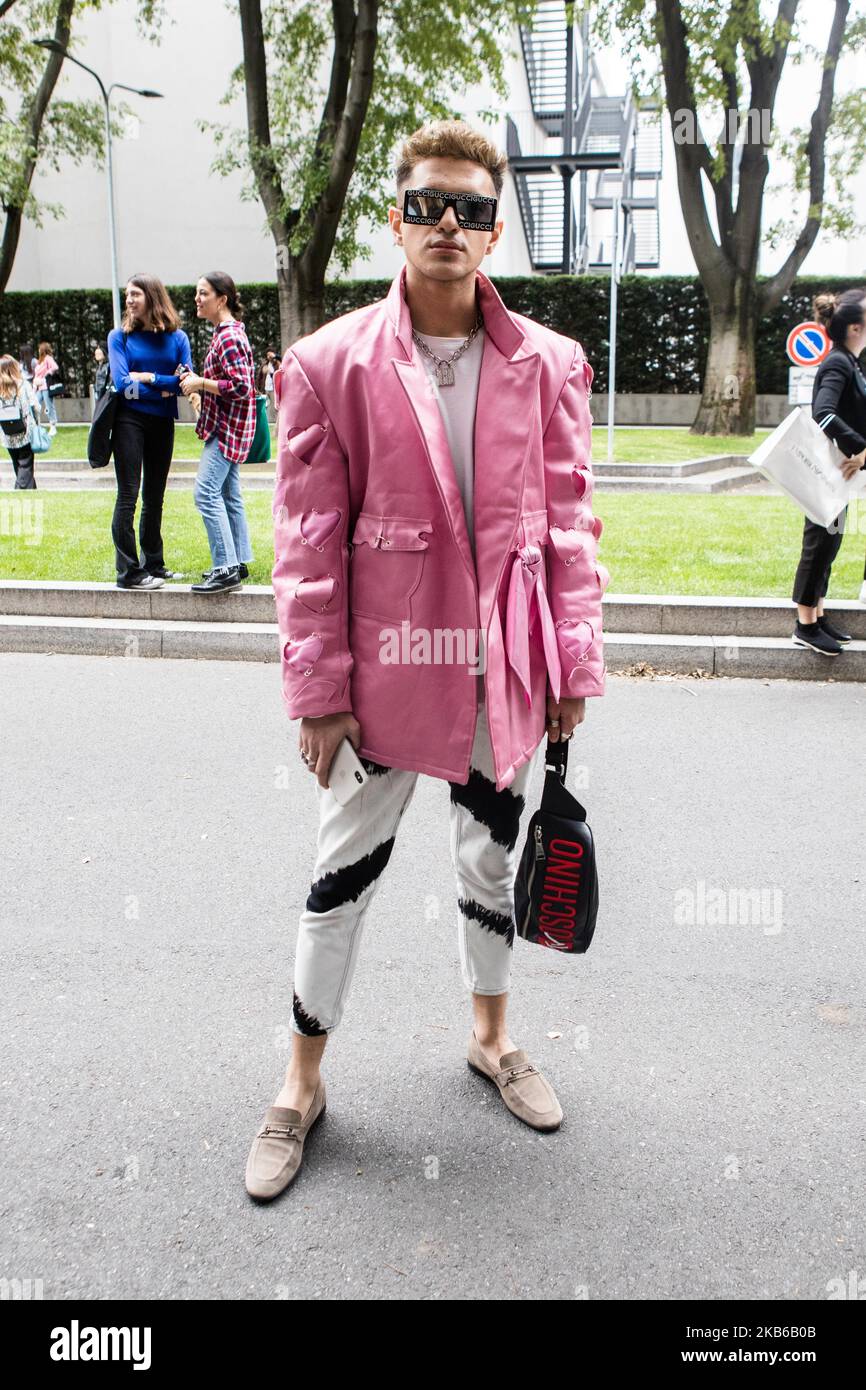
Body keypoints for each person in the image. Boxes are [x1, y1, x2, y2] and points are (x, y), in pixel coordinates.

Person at [244, 119, 607, 1202]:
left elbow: (572, 528)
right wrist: (315, 692)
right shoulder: (325, 365)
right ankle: (299, 1080)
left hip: (503, 671)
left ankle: (491, 1039)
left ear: (496, 231)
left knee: (489, 865)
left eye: (471, 208)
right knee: (336, 880)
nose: (448, 223)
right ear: (394, 219)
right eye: (427, 204)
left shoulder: (550, 363)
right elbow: (308, 544)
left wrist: (571, 669)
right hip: (381, 675)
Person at [791, 288, 866, 655]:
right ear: (855, 327)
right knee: (819, 543)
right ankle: (804, 624)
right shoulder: (838, 362)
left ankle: (817, 616)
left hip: (839, 472)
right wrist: (860, 447)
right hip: (828, 469)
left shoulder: (850, 362)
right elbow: (824, 412)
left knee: (830, 542)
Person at [107, 274, 193, 589]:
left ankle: (153, 564)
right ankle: (128, 572)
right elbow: (122, 384)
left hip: (162, 423)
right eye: (127, 295)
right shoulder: (119, 337)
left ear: (152, 297)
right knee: (128, 495)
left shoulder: (178, 338)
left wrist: (149, 378)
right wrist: (163, 387)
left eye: (135, 295)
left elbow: (185, 381)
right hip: (129, 421)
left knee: (154, 496)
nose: (129, 300)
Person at [180, 271, 256, 593]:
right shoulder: (226, 333)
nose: (197, 299)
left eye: (203, 293)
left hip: (228, 429)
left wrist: (200, 383)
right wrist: (197, 383)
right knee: (228, 494)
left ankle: (224, 567)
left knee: (206, 493)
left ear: (221, 299)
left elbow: (241, 386)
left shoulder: (228, 336)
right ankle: (237, 563)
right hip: (229, 426)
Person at [0, 354, 40, 489]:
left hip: (7, 434)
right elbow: (35, 406)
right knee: (26, 465)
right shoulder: (22, 385)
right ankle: (20, 489)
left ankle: (31, 490)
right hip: (25, 432)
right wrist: (37, 423)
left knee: (18, 465)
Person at [32, 341, 59, 436]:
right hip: (39, 387)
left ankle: (53, 426)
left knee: (49, 406)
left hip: (46, 387)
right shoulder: (39, 361)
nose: (38, 350)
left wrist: (46, 375)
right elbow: (36, 375)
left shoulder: (48, 358)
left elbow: (55, 367)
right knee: (35, 405)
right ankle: (36, 425)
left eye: (40, 348)